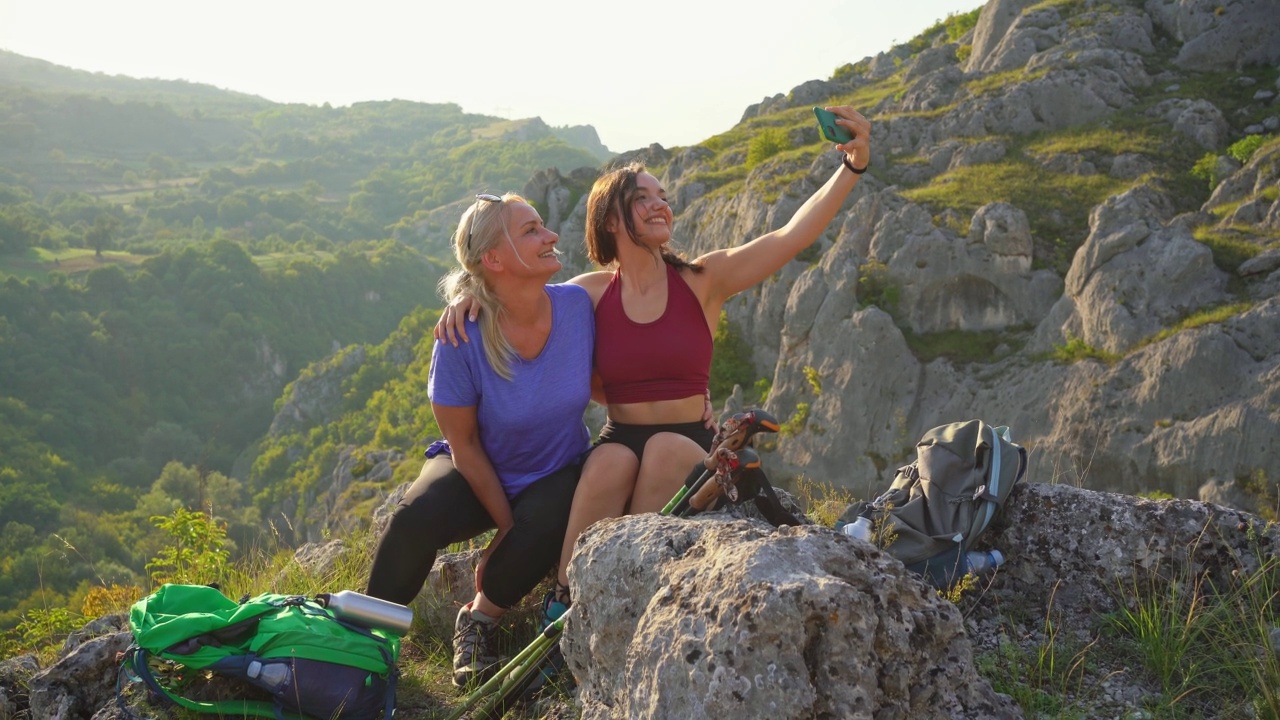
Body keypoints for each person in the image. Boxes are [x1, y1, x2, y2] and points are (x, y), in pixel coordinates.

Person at [438, 106, 873, 629]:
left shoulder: (703, 279)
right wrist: (465, 300)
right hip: (620, 440)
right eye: (641, 197)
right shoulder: (589, 295)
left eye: (662, 196)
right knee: (608, 462)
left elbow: (789, 237)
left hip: (686, 441)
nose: (659, 204)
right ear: (612, 219)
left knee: (664, 450)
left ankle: (615, 597)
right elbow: (513, 294)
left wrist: (851, 167)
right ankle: (565, 601)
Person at [365, 192, 595, 688]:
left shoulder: (578, 305)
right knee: (415, 516)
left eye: (543, 226)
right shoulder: (460, 336)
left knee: (547, 518)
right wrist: (505, 531)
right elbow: (464, 445)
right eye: (531, 230)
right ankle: (364, 639)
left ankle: (477, 621)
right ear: (493, 258)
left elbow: (644, 288)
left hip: (557, 472)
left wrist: (688, 397)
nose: (551, 235)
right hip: (477, 466)